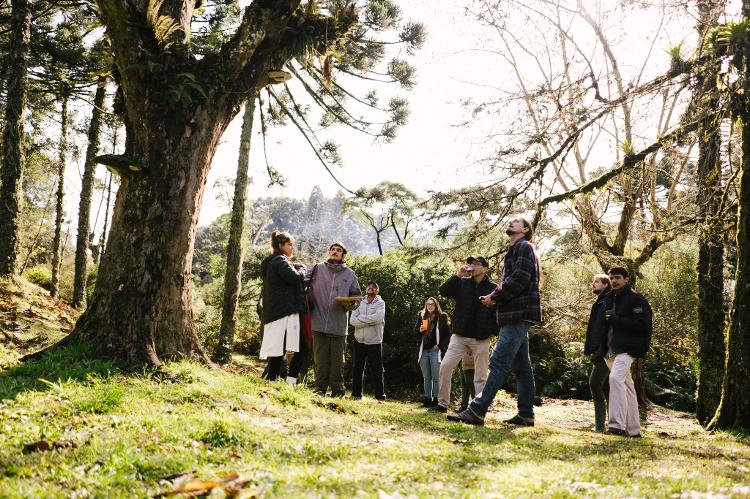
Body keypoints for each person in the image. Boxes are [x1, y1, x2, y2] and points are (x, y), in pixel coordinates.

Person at [449, 216, 542, 426]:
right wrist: (496, 298)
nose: (511, 222)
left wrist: (494, 296)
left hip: (517, 315)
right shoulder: (516, 249)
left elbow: (518, 279)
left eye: (517, 221)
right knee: (521, 366)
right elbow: (514, 280)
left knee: (498, 362)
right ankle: (526, 414)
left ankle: (477, 410)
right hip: (514, 314)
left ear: (525, 229)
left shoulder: (524, 247)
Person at [432, 256, 497, 413]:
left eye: (476, 264)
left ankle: (478, 408)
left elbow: (498, 312)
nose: (472, 266)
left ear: (485, 268)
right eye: (470, 263)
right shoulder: (462, 282)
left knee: (480, 376)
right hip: (459, 336)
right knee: (445, 367)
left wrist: (493, 333)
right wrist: (458, 274)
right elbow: (443, 291)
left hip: (481, 338)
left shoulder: (493, 287)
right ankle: (442, 404)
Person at [602, 267, 652, 437]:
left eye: (617, 277)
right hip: (612, 349)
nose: (613, 281)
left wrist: (616, 320)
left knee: (615, 379)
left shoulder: (637, 300)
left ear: (626, 279)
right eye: (611, 278)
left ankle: (617, 425)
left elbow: (642, 326)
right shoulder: (609, 298)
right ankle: (633, 430)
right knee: (627, 386)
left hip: (629, 349)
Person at [307, 242, 361, 396]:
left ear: (343, 255)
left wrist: (350, 304)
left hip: (338, 325)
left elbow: (357, 298)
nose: (335, 252)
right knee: (320, 360)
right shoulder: (317, 268)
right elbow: (302, 281)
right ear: (329, 252)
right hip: (317, 322)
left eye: (339, 250)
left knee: (338, 361)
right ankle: (320, 389)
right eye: (333, 249)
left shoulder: (350, 274)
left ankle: (338, 390)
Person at [259, 231, 309, 382]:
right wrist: (303, 269)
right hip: (284, 312)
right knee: (302, 347)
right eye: (290, 244)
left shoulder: (273, 261)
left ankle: (272, 381)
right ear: (281, 245)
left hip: (278, 312)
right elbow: (294, 277)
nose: (292, 248)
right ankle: (289, 381)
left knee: (278, 349)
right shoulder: (279, 260)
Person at [350, 281, 387, 400]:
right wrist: (367, 321)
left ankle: (380, 396)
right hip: (359, 340)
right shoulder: (359, 302)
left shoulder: (381, 303)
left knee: (377, 369)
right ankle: (356, 395)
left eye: (374, 286)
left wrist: (360, 319)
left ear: (377, 291)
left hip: (374, 341)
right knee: (357, 368)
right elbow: (352, 320)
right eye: (369, 286)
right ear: (366, 289)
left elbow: (377, 319)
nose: (370, 287)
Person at [584, 273, 612, 432]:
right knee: (607, 386)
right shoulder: (601, 300)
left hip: (607, 351)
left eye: (597, 281)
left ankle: (601, 426)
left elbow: (604, 329)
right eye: (593, 281)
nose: (593, 284)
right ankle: (612, 424)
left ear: (605, 284)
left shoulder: (606, 301)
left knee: (595, 382)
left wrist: (600, 351)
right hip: (603, 350)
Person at [414, 297, 451, 407]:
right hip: (423, 350)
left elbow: (447, 335)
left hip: (435, 351)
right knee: (426, 377)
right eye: (428, 304)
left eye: (432, 304)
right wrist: (419, 330)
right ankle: (427, 399)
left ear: (436, 306)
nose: (430, 306)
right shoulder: (422, 316)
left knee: (436, 377)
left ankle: (436, 400)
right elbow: (415, 333)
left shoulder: (442, 316)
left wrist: (439, 346)